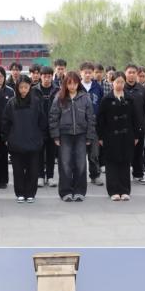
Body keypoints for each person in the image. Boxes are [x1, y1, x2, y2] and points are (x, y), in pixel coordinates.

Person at [49, 71, 96, 202]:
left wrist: (89, 136)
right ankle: (66, 191)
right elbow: (53, 117)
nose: (72, 86)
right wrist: (55, 136)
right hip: (65, 135)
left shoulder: (85, 97)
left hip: (81, 134)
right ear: (65, 84)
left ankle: (79, 191)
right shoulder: (59, 97)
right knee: (65, 164)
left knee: (80, 164)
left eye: (75, 83)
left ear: (78, 84)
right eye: (69, 83)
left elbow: (91, 118)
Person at [96, 72, 138, 201]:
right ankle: (113, 191)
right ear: (112, 83)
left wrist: (136, 135)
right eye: (117, 82)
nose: (119, 84)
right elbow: (100, 120)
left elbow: (135, 118)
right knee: (111, 164)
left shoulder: (130, 99)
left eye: (122, 82)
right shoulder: (106, 99)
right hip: (110, 136)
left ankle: (125, 190)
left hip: (127, 136)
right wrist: (100, 137)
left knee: (125, 163)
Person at [4, 75, 47, 203]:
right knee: (17, 170)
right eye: (21, 87)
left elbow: (42, 121)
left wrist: (40, 137)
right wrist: (6, 137)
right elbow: (6, 122)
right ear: (17, 88)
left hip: (33, 141)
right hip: (16, 141)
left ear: (30, 87)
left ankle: (30, 193)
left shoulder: (36, 102)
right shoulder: (11, 103)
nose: (23, 90)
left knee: (33, 170)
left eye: (26, 87)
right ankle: (20, 193)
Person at [35, 67, 59, 189]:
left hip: (53, 125)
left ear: (52, 77)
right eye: (44, 76)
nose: (46, 79)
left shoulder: (57, 90)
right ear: (40, 76)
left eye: (49, 76)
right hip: (39, 126)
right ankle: (40, 176)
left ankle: (50, 176)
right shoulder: (34, 90)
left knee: (51, 153)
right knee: (39, 152)